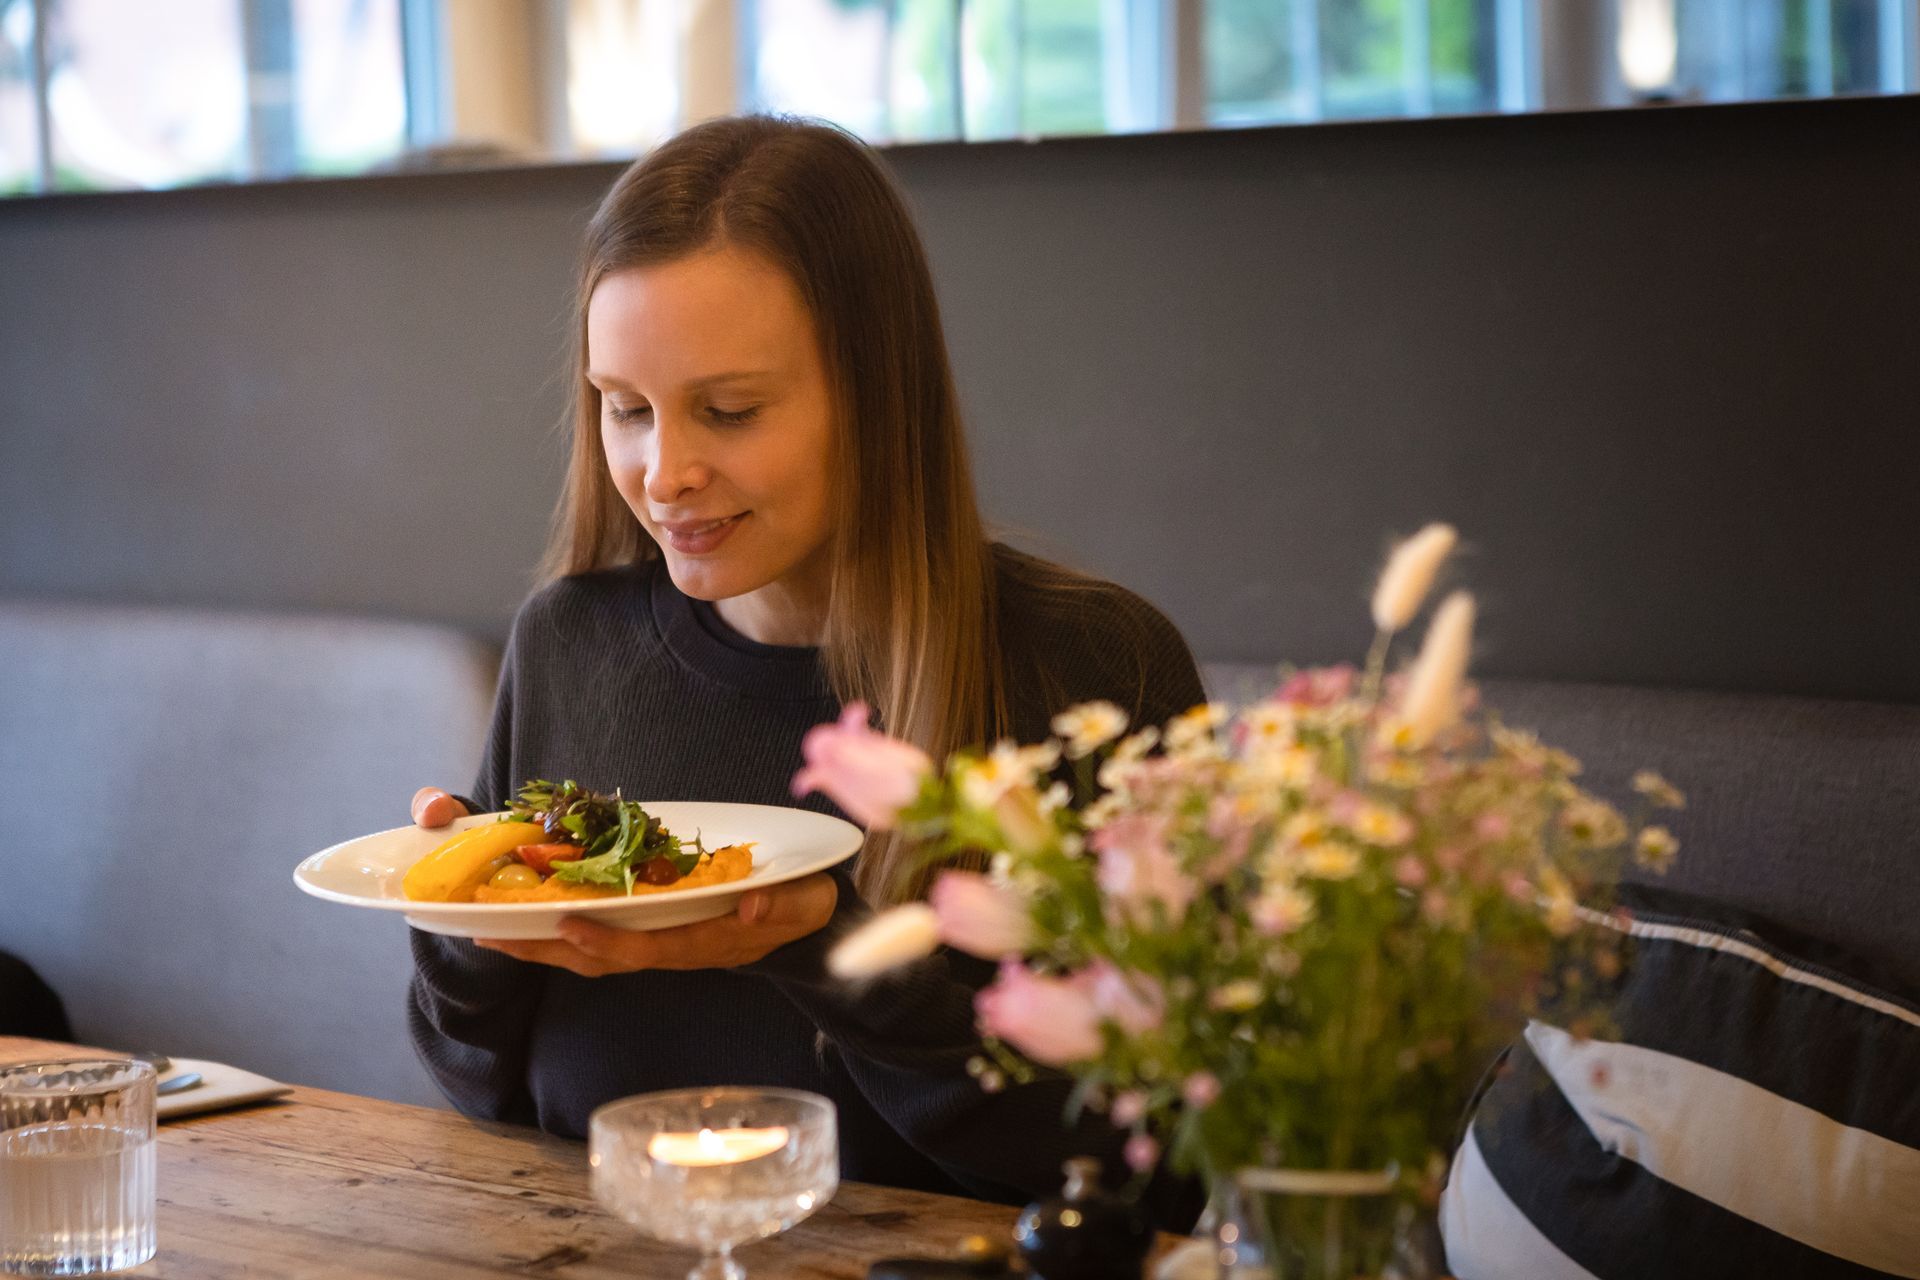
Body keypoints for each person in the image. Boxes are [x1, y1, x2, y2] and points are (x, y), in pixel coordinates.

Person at [406, 114, 1206, 1222]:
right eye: (627, 409)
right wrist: (470, 923)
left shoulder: (1090, 669)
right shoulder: (570, 641)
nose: (664, 473)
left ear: (877, 396)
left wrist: (829, 953)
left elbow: (1157, 1168)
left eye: (729, 410)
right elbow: (481, 1093)